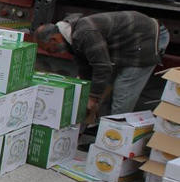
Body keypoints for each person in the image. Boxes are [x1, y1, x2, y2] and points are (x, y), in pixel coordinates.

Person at [35, 11, 170, 118]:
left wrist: (93, 97)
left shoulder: (85, 34)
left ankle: (115, 138)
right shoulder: (71, 38)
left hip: (146, 39)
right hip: (128, 43)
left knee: (122, 93)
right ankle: (101, 126)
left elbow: (102, 67)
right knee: (102, 88)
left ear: (54, 38)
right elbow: (85, 67)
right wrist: (85, 91)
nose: (51, 53)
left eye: (48, 49)